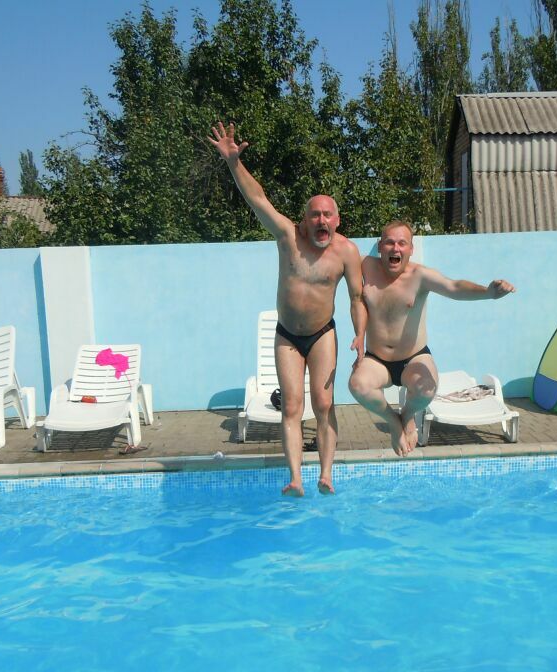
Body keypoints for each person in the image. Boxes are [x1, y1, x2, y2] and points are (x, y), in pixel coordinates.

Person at [209, 121, 365, 496]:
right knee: (291, 407)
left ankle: (325, 475)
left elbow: (357, 298)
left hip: (323, 334)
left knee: (324, 403)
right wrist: (233, 162)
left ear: (337, 220)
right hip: (288, 336)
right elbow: (258, 198)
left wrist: (361, 334)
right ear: (304, 219)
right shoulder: (287, 236)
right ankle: (295, 478)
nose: (321, 220)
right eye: (315, 215)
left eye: (328, 215)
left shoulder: (347, 252)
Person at [349, 220, 514, 456]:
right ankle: (394, 422)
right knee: (358, 385)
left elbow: (454, 287)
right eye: (389, 242)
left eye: (402, 243)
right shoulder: (366, 266)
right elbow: (337, 254)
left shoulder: (420, 275)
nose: (395, 248)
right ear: (380, 246)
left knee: (427, 389)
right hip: (377, 359)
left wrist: (488, 293)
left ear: (411, 249)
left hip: (413, 357)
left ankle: (407, 415)